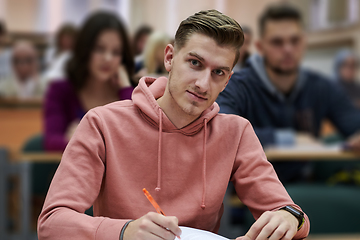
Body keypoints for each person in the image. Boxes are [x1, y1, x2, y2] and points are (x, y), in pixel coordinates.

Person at [38, 10, 310, 240]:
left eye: (218, 73)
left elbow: (292, 213)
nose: (203, 84)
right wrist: (124, 231)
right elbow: (52, 222)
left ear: (227, 81)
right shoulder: (102, 123)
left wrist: (290, 216)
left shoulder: (236, 132)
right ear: (169, 58)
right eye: (194, 63)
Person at [216, 4, 360, 183]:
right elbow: (223, 130)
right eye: (277, 42)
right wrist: (290, 138)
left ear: (304, 42)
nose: (288, 49)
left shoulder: (321, 86)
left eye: (295, 41)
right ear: (260, 47)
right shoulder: (236, 85)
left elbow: (353, 123)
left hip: (304, 182)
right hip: (250, 187)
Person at [43, 11, 134, 152]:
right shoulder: (60, 91)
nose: (108, 58)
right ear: (85, 49)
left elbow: (137, 141)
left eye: (116, 52)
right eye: (100, 49)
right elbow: (52, 143)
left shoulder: (129, 94)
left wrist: (126, 86)